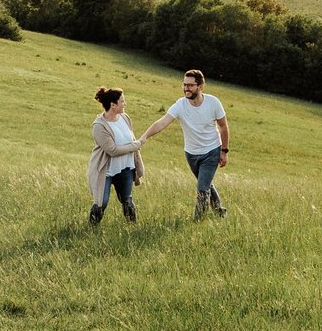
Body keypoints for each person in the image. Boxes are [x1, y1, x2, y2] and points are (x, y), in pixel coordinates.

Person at [141, 68, 230, 218]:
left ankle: (198, 221)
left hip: (211, 151)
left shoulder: (213, 103)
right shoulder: (180, 105)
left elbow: (223, 126)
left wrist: (224, 151)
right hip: (191, 154)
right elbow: (162, 123)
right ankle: (220, 211)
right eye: (184, 85)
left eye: (190, 85)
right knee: (206, 184)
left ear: (200, 87)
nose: (186, 88)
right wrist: (144, 136)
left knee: (202, 188)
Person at [86, 86, 143, 225]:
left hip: (126, 168)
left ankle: (132, 228)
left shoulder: (125, 118)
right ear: (113, 105)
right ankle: (91, 228)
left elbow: (131, 138)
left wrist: (137, 161)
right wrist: (136, 145)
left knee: (127, 200)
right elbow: (112, 150)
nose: (125, 104)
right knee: (101, 202)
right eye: (122, 101)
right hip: (106, 170)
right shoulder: (99, 126)